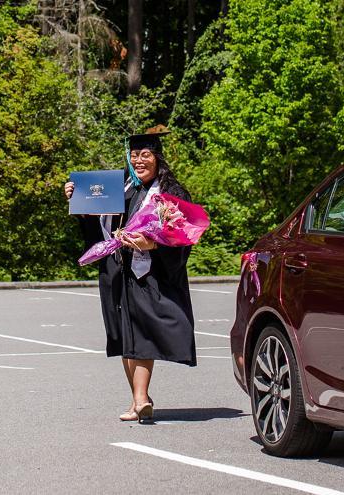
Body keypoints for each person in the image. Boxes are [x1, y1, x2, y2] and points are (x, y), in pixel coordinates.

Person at [64, 128, 196, 423]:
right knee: (124, 335)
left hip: (149, 273)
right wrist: (79, 202)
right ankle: (140, 399)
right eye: (134, 155)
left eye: (145, 155)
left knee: (142, 334)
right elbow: (96, 226)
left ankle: (139, 399)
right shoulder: (119, 188)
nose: (139, 161)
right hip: (116, 269)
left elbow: (183, 236)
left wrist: (155, 245)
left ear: (157, 158)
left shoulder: (170, 192)